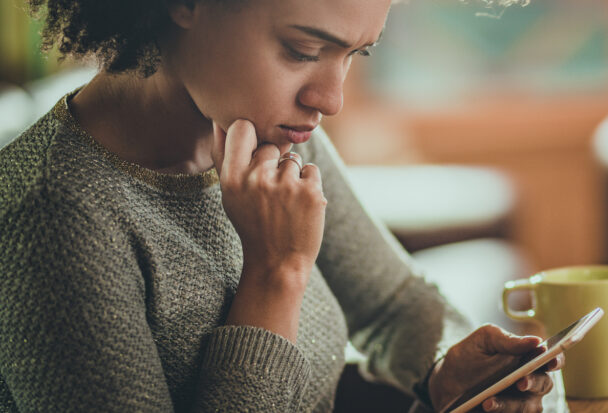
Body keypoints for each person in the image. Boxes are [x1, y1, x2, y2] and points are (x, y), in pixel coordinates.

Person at [0, 0, 559, 411]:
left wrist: (445, 368)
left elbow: (391, 303)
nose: (331, 100)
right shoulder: (52, 218)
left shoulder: (271, 129)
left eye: (353, 54)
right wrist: (273, 275)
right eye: (303, 51)